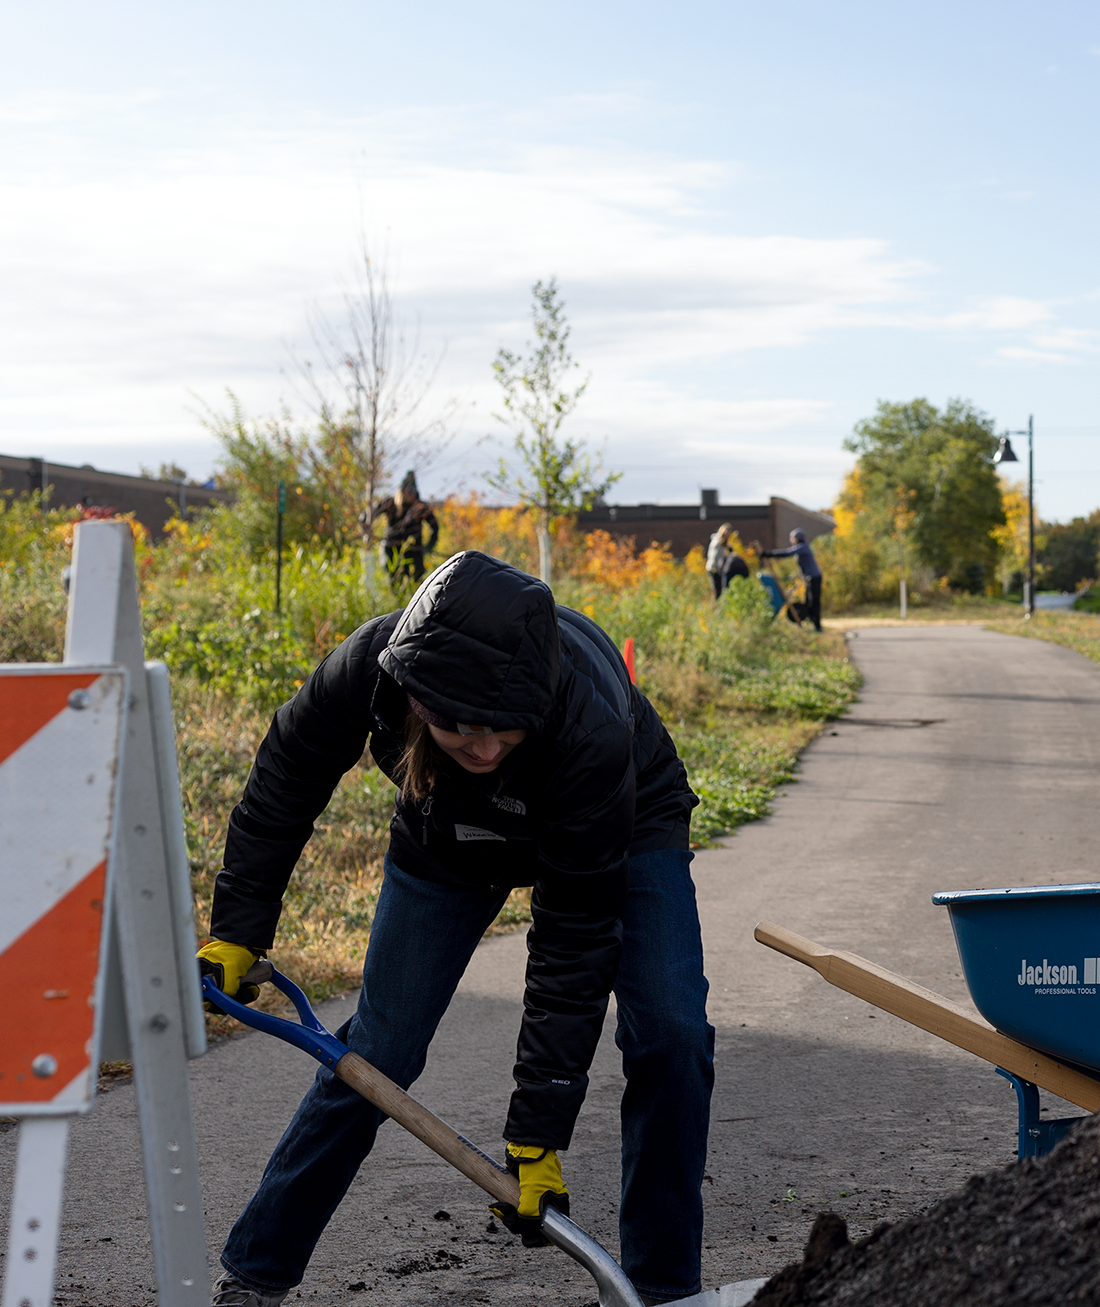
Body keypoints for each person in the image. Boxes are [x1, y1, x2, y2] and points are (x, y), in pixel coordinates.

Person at [197, 551, 713, 1306]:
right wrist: (240, 925)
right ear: (413, 692)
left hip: (621, 820)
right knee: (379, 1049)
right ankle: (255, 1274)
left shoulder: (586, 726)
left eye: (506, 730)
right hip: (449, 833)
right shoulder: (369, 669)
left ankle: (664, 1291)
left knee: (671, 1033)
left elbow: (572, 937)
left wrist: (537, 1130)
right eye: (458, 726)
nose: (483, 747)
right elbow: (287, 776)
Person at [363, 470, 441, 587]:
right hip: (391, 547)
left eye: (412, 492)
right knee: (393, 578)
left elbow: (434, 527)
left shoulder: (419, 507)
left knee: (417, 579)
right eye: (407, 492)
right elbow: (366, 516)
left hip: (414, 549)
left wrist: (429, 546)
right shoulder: (389, 503)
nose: (409, 495)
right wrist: (368, 532)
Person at [765, 526, 823, 631]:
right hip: (809, 578)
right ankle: (812, 623)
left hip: (814, 578)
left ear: (797, 538)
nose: (791, 541)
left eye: (792, 538)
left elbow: (788, 552)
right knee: (807, 601)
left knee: (813, 602)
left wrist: (769, 554)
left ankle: (817, 626)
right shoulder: (802, 548)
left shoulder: (802, 547)